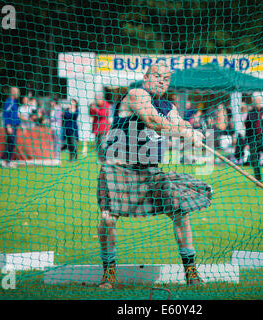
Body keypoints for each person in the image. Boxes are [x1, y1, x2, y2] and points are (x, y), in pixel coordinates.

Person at [96, 62, 212, 289]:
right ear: (146, 76)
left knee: (180, 210)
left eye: (166, 79)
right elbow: (151, 120)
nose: (161, 81)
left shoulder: (168, 105)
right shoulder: (136, 94)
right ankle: (109, 273)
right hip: (120, 169)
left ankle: (191, 271)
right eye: (157, 76)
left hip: (151, 172)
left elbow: (179, 122)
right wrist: (183, 132)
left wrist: (192, 132)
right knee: (108, 218)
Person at [0, 87, 21, 168]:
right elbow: (6, 114)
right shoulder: (9, 102)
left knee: (10, 143)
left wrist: (20, 123)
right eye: (17, 92)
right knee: (12, 143)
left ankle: (7, 162)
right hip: (10, 126)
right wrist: (8, 125)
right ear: (13, 92)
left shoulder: (14, 102)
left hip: (14, 126)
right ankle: (3, 159)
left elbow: (16, 115)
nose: (18, 93)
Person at [90, 96, 112, 163]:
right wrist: (91, 109)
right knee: (97, 145)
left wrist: (95, 109)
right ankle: (100, 159)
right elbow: (91, 114)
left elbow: (103, 114)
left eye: (97, 100)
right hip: (96, 128)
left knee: (103, 145)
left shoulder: (106, 105)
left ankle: (106, 158)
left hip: (103, 128)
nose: (96, 102)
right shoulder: (96, 105)